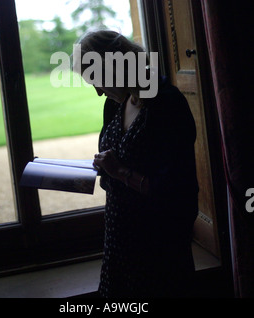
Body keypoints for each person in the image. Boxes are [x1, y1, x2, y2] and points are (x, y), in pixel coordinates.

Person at [72, 29, 199, 299]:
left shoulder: (167, 103)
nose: (97, 92)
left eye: (96, 80)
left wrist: (119, 171)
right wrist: (104, 169)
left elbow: (178, 190)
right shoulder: (114, 104)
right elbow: (113, 169)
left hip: (159, 241)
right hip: (120, 237)